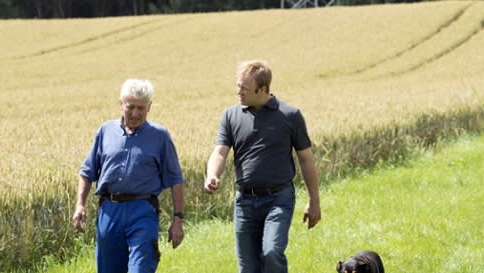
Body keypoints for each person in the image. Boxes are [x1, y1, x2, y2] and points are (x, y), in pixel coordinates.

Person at [204, 60, 321, 273]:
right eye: (238, 85)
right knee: (248, 269)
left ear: (263, 89)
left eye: (244, 88)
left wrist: (314, 201)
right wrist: (212, 174)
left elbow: (306, 160)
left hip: (278, 198)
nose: (238, 92)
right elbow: (220, 152)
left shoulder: (290, 115)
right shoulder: (231, 115)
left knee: (271, 252)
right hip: (244, 202)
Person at [73, 79, 185, 273]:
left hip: (142, 211)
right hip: (109, 211)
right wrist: (80, 205)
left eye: (141, 108)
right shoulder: (105, 131)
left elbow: (175, 179)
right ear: (121, 104)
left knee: (141, 269)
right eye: (130, 106)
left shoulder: (160, 137)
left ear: (149, 107)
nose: (135, 113)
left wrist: (177, 219)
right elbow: (87, 172)